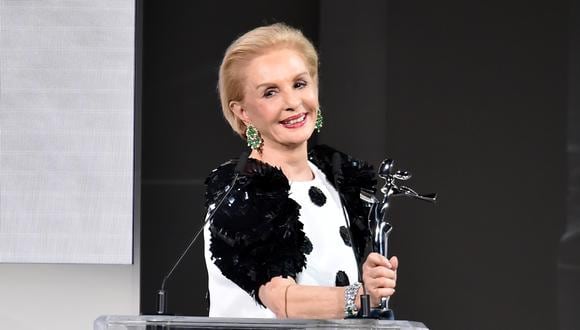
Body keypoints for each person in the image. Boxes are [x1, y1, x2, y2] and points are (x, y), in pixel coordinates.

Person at [203, 23, 398, 319]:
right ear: (243, 112)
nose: (293, 103)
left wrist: (373, 285)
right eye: (270, 93)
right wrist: (359, 295)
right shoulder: (241, 190)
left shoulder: (337, 179)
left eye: (300, 84)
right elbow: (283, 301)